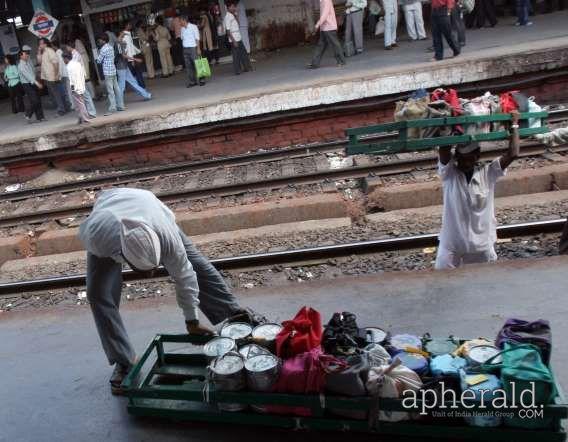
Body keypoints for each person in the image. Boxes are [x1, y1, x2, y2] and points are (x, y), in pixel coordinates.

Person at [78, 188, 247, 394]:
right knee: (98, 293)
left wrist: (191, 321)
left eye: (155, 267)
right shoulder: (98, 238)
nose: (151, 275)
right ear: (122, 257)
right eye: (145, 270)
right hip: (109, 212)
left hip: (149, 207)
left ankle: (236, 319)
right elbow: (101, 280)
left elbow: (185, 276)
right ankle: (124, 360)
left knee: (196, 266)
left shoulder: (166, 238)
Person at [435, 112, 520, 269]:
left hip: (481, 245)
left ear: (477, 156)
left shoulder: (488, 173)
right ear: (456, 157)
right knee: (443, 285)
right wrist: (447, 127)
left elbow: (513, 154)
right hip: (452, 245)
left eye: (469, 158)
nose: (464, 162)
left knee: (482, 286)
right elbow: (444, 152)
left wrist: (514, 125)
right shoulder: (449, 174)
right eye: (461, 158)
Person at [307, 0, 345, 69]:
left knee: (334, 45)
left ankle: (341, 61)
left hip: (329, 27)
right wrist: (320, 26)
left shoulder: (326, 1)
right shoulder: (322, 1)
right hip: (324, 27)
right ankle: (314, 63)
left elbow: (324, 15)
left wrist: (317, 25)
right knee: (320, 46)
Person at [63, 42, 96, 118]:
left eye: (67, 47)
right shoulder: (73, 54)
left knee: (85, 96)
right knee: (82, 97)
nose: (66, 49)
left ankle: (91, 113)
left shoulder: (75, 55)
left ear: (69, 46)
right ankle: (87, 114)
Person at [38, 37, 70, 116]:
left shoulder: (50, 51)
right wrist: (39, 51)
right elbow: (39, 62)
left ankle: (61, 110)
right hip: (48, 77)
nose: (40, 45)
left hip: (52, 77)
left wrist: (56, 75)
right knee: (57, 93)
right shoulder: (43, 52)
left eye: (41, 43)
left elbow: (56, 63)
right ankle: (65, 107)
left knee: (57, 94)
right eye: (39, 44)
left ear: (45, 44)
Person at [116, 32, 152, 101]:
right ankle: (146, 94)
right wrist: (135, 59)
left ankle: (146, 94)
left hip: (121, 66)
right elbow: (124, 55)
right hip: (122, 66)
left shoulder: (119, 43)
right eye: (124, 36)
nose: (125, 38)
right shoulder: (121, 43)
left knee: (126, 84)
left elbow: (123, 55)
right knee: (126, 84)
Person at [96, 34, 125, 115]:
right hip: (113, 70)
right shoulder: (110, 47)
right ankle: (121, 106)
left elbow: (98, 61)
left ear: (103, 40)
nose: (99, 41)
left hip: (107, 72)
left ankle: (112, 108)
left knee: (110, 91)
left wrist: (98, 56)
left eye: (100, 40)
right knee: (117, 89)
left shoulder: (103, 49)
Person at [63, 51, 91, 125]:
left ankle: (85, 119)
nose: (63, 61)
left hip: (75, 87)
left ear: (66, 58)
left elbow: (71, 79)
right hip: (81, 85)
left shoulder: (68, 67)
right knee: (80, 103)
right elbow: (83, 74)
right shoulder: (77, 64)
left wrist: (72, 89)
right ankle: (81, 118)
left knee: (79, 103)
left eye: (63, 59)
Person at [18, 47, 45, 123]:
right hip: (27, 85)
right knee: (35, 101)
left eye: (27, 54)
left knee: (38, 100)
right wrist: (37, 83)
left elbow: (33, 72)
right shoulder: (20, 66)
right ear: (21, 56)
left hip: (33, 82)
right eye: (25, 55)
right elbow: (28, 76)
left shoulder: (28, 62)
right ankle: (28, 114)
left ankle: (40, 117)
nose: (26, 55)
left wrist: (38, 77)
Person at [180, 15, 205, 87]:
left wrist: (198, 48)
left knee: (197, 64)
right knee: (188, 66)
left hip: (193, 48)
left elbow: (197, 38)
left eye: (180, 21)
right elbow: (182, 38)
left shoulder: (193, 27)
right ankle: (192, 81)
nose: (179, 22)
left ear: (184, 20)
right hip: (185, 49)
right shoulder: (182, 29)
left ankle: (202, 79)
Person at [122, 22, 145, 89]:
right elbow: (129, 48)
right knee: (136, 73)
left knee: (135, 73)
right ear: (127, 25)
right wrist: (132, 59)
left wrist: (138, 51)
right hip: (131, 57)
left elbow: (131, 47)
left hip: (131, 57)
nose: (131, 26)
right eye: (130, 25)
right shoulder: (125, 35)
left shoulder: (127, 34)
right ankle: (140, 87)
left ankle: (140, 86)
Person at [73, 35, 96, 99]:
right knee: (87, 79)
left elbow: (81, 51)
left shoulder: (77, 42)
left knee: (87, 79)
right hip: (84, 61)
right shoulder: (78, 42)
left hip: (83, 62)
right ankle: (92, 94)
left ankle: (92, 95)